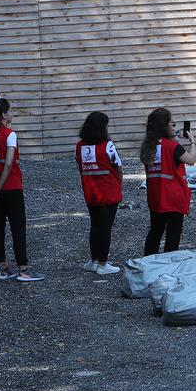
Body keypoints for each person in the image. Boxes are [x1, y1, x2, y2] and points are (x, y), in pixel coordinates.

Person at [0, 99, 44, 282]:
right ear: (3, 115)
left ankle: (3, 268)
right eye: (10, 111)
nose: (12, 114)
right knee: (18, 228)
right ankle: (23, 268)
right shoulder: (9, 134)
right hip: (10, 187)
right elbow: (8, 164)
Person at [141, 108, 196, 255]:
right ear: (164, 126)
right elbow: (191, 160)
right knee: (173, 235)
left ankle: (148, 261)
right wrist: (193, 142)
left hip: (155, 197)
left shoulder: (147, 146)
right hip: (173, 197)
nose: (174, 127)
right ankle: (169, 263)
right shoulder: (172, 146)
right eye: (173, 124)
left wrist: (174, 139)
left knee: (155, 232)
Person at [76, 111, 124, 275]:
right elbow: (118, 167)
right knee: (105, 228)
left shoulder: (80, 146)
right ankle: (103, 264)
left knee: (95, 226)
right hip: (108, 192)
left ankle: (95, 260)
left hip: (91, 192)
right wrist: (118, 184)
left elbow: (81, 167)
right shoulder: (108, 145)